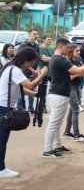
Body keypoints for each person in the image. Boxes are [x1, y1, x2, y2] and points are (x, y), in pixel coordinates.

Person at [43, 38, 84, 158]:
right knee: (54, 123)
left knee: (57, 123)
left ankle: (57, 146)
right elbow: (79, 71)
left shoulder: (57, 59)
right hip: (58, 94)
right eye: (67, 47)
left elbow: (78, 72)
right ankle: (47, 150)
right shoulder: (60, 60)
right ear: (61, 47)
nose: (69, 49)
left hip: (60, 94)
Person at [0, 47, 48, 177]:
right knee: (2, 139)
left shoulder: (10, 67)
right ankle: (1, 169)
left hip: (2, 106)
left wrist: (35, 95)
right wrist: (42, 75)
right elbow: (30, 85)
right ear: (25, 60)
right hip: (4, 108)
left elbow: (21, 88)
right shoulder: (15, 70)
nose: (31, 65)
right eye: (31, 62)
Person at [63, 44, 84, 142]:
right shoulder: (68, 62)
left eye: (79, 51)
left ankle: (67, 132)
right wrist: (79, 73)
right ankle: (76, 134)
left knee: (72, 110)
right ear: (71, 51)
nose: (79, 52)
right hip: (70, 87)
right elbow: (69, 77)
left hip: (77, 86)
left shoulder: (79, 60)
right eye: (77, 51)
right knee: (76, 110)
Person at [17, 29, 40, 112]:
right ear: (29, 35)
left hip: (34, 72)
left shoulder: (36, 46)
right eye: (34, 34)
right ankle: (20, 108)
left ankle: (31, 108)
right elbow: (21, 60)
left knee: (32, 89)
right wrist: (31, 69)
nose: (36, 36)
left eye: (37, 34)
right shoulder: (24, 45)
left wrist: (36, 70)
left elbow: (38, 58)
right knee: (23, 90)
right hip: (25, 72)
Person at [39, 35, 54, 113]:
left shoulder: (51, 49)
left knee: (55, 89)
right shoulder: (40, 49)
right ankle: (42, 106)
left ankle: (54, 105)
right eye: (48, 39)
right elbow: (43, 59)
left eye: (51, 39)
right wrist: (52, 58)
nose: (50, 40)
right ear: (44, 39)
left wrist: (49, 58)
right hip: (43, 72)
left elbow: (56, 58)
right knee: (43, 90)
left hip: (52, 72)